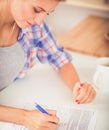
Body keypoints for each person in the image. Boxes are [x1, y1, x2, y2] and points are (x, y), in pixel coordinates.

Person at [0, 0, 96, 129]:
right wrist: (24, 117)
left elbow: (58, 57)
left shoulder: (33, 25)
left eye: (47, 13)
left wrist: (77, 86)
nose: (39, 21)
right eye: (37, 10)